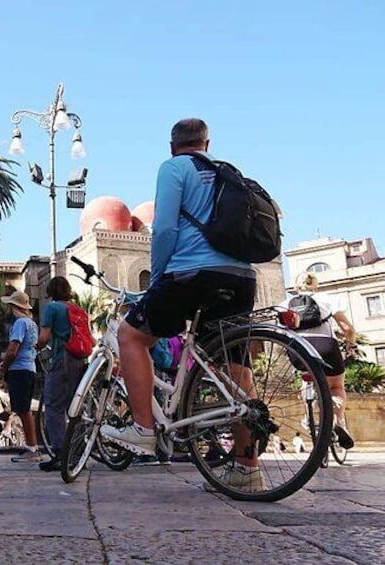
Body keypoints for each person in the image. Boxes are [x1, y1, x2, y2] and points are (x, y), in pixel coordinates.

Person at [99, 118, 262, 491]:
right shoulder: (226, 173)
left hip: (192, 275)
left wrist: (157, 278)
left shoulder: (174, 168)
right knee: (234, 366)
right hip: (240, 277)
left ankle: (143, 428)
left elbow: (166, 228)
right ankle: (247, 467)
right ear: (207, 143)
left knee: (131, 336)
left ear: (172, 145)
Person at [281, 272, 356, 449]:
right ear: (315, 285)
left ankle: (308, 417)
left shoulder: (284, 304)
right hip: (325, 348)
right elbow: (347, 329)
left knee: (306, 376)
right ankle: (339, 422)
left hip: (298, 350)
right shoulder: (327, 299)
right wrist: (351, 346)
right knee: (336, 386)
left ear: (295, 286)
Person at [34, 277, 86, 472]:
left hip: (61, 359)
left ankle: (60, 453)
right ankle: (79, 451)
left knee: (54, 406)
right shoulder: (77, 309)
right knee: (76, 407)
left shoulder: (52, 308)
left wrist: (37, 345)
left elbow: (44, 337)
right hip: (80, 360)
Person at [0, 290, 41, 463]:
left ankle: (32, 448)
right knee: (24, 409)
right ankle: (32, 446)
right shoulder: (32, 324)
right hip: (29, 368)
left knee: (23, 410)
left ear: (15, 307)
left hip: (19, 369)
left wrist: (4, 365)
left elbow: (13, 348)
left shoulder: (20, 324)